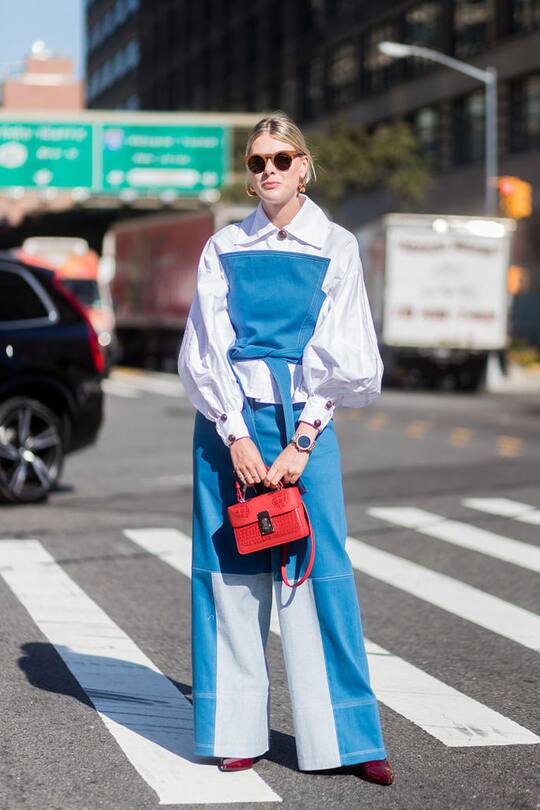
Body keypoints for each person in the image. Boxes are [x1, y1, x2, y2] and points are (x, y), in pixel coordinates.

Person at [177, 111, 393, 786]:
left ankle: (348, 739)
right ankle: (234, 731)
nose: (266, 171)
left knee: (318, 576)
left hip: (305, 424)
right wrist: (235, 434)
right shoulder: (223, 248)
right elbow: (205, 349)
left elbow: (345, 349)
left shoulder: (336, 244)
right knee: (232, 581)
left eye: (279, 158)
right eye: (256, 162)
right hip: (227, 428)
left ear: (304, 166)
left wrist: (302, 438)